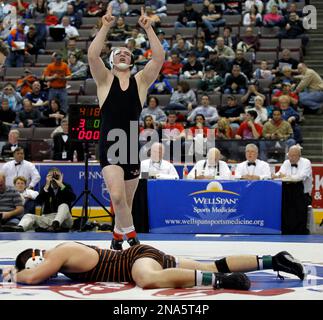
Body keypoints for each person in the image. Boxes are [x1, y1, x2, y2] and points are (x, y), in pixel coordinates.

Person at [87, 7, 165, 250]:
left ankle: (116, 239)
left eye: (127, 53)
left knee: (127, 204)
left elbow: (159, 58)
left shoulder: (140, 81)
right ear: (112, 60)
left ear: (131, 61)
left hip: (130, 146)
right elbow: (92, 56)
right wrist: (106, 26)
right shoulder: (104, 80)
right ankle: (133, 239)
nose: (123, 55)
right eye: (118, 53)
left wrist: (149, 28)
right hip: (110, 143)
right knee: (117, 197)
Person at [2, 242, 305, 289]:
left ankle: (222, 283)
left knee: (148, 280)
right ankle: (273, 260)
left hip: (135, 260)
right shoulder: (59, 256)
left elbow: (31, 278)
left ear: (34, 256)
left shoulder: (57, 252)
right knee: (212, 263)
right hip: (140, 255)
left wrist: (11, 273)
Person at [3, 168, 76, 232]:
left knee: (64, 205)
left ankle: (55, 224)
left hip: (65, 220)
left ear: (61, 177)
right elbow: (38, 202)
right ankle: (20, 228)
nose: (54, 178)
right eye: (52, 176)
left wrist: (61, 184)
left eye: (57, 176)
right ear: (47, 177)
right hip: (49, 219)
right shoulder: (45, 188)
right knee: (28, 216)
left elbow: (72, 197)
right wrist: (46, 186)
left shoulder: (66, 187)